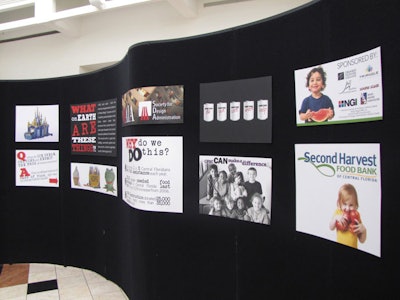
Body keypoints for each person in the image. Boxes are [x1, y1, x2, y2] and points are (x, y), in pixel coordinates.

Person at [329, 183, 367, 249]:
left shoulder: (356, 215)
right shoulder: (338, 213)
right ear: (339, 203)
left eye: (351, 205)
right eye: (344, 204)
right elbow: (331, 228)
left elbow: (362, 240)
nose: (347, 208)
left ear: (356, 205)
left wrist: (364, 231)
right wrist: (335, 218)